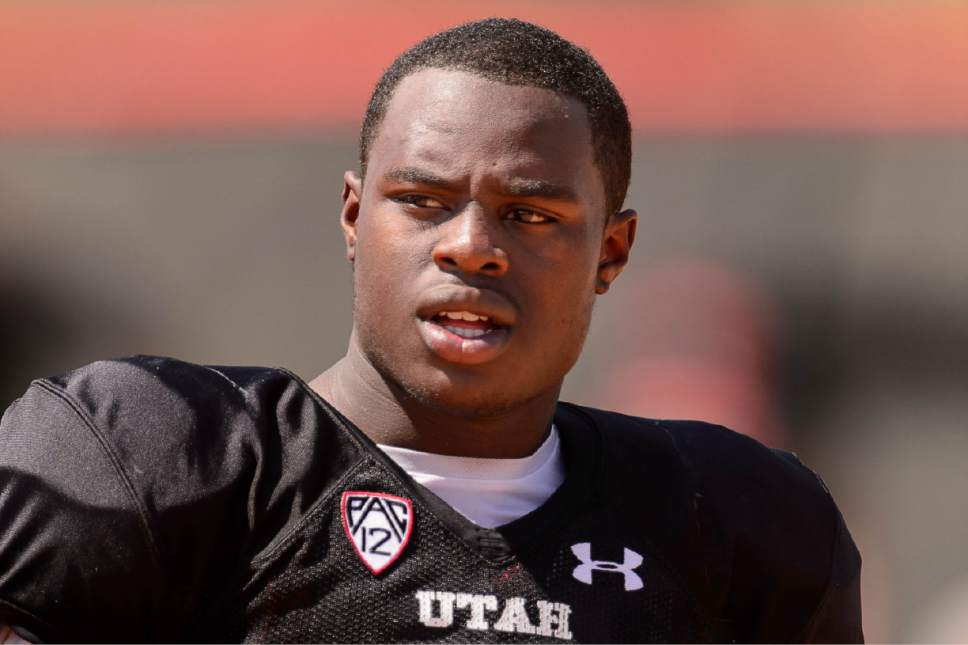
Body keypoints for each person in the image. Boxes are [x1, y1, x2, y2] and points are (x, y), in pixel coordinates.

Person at [0, 18, 862, 643]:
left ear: (612, 250)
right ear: (352, 214)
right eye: (422, 201)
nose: (472, 247)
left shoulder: (738, 526)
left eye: (529, 213)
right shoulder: (156, 459)